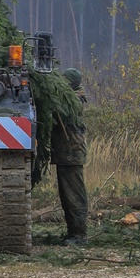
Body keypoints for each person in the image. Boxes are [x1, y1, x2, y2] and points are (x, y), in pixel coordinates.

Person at [52, 67, 88, 245]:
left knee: (74, 195)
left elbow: (61, 113)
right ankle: (73, 233)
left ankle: (79, 235)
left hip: (71, 152)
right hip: (66, 153)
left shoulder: (75, 99)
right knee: (67, 195)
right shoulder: (73, 96)